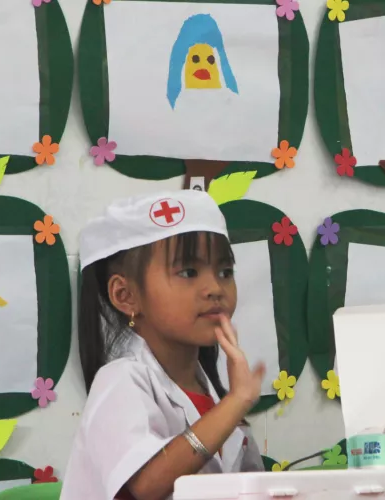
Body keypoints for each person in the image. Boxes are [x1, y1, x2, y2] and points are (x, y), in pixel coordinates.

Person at [61, 190, 265, 500]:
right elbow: (147, 485)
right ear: (125, 296)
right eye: (188, 272)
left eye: (225, 272)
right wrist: (235, 402)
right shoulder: (120, 381)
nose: (214, 288)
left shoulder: (212, 392)